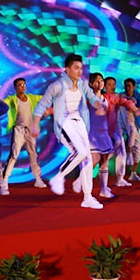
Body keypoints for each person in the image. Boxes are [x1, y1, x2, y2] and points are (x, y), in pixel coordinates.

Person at [31, 53, 107, 210]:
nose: (80, 71)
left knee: (87, 159)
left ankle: (87, 197)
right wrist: (35, 124)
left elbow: (92, 97)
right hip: (64, 122)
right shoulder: (57, 86)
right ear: (67, 69)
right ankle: (59, 177)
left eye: (81, 68)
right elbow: (42, 105)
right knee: (81, 152)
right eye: (76, 68)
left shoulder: (82, 84)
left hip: (79, 122)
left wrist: (98, 105)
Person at [72, 73, 138, 198]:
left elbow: (123, 101)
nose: (100, 83)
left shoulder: (108, 98)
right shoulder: (87, 99)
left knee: (104, 160)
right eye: (97, 81)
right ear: (91, 84)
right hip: (92, 134)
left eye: (101, 80)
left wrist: (134, 107)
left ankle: (103, 189)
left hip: (105, 133)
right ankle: (82, 184)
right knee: (93, 160)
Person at [1, 78, 48, 194]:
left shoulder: (31, 98)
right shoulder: (12, 99)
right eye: (20, 85)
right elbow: (2, 103)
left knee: (33, 155)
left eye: (24, 84)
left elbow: (45, 98)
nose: (23, 87)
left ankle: (38, 179)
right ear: (15, 87)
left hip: (30, 131)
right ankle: (4, 180)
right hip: (19, 130)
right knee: (14, 155)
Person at [103, 77, 140, 187]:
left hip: (115, 128)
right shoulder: (101, 98)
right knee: (107, 152)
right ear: (104, 86)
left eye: (114, 84)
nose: (112, 86)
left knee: (121, 151)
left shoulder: (117, 97)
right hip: (103, 130)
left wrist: (135, 108)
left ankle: (120, 179)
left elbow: (126, 101)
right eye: (109, 84)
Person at [120, 78, 140, 181]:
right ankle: (120, 175)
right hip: (121, 124)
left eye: (129, 86)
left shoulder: (138, 96)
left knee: (137, 147)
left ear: (134, 87)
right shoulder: (121, 96)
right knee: (117, 146)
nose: (127, 88)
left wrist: (134, 109)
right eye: (126, 86)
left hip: (135, 122)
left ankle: (133, 173)